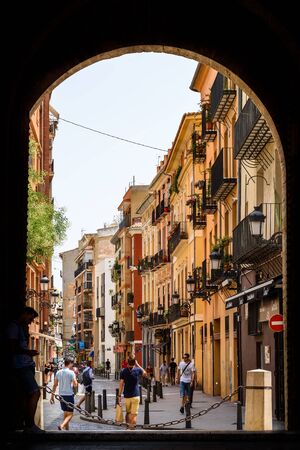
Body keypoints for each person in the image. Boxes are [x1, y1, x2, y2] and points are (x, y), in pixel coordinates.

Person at [7, 306, 44, 433]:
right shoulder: (14, 327)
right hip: (21, 365)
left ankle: (24, 423)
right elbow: (12, 347)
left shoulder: (21, 327)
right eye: (31, 318)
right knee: (35, 392)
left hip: (24, 365)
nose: (31, 321)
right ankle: (30, 425)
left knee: (26, 395)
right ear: (25, 314)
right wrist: (28, 352)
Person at [118, 358, 147, 429]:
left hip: (127, 396)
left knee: (128, 413)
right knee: (134, 415)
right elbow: (145, 374)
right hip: (136, 396)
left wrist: (119, 395)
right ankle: (132, 429)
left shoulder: (123, 371)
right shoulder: (138, 370)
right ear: (134, 363)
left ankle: (128, 427)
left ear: (127, 363)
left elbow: (121, 383)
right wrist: (138, 365)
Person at [50, 358, 78, 430]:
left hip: (61, 396)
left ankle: (67, 429)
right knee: (71, 414)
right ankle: (62, 425)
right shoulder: (71, 372)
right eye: (72, 364)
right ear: (70, 364)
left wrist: (52, 396)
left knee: (65, 412)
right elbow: (75, 385)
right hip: (69, 395)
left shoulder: (58, 372)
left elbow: (55, 385)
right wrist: (76, 380)